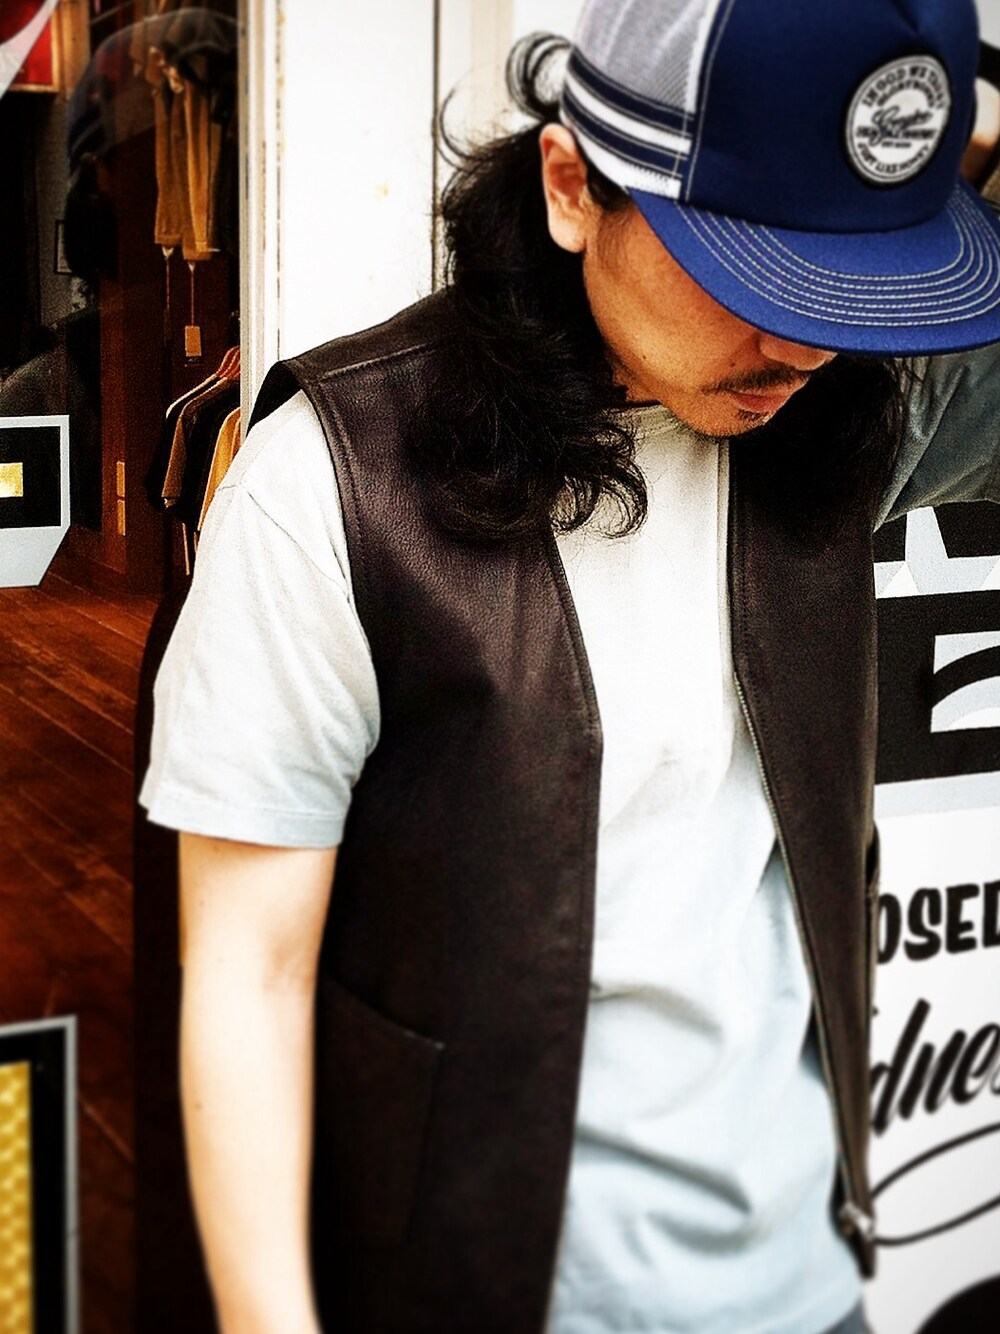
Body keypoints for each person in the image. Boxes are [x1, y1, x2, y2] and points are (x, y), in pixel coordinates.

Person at [139, 1, 1000, 1330]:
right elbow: (250, 976)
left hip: (810, 1289)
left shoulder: (835, 425)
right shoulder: (331, 487)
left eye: (854, 283)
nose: (806, 343)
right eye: (758, 274)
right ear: (568, 185)